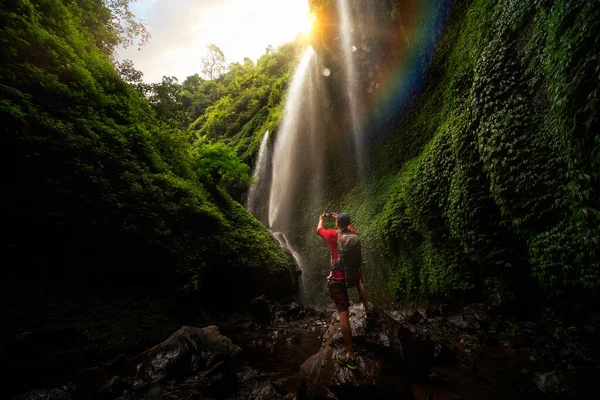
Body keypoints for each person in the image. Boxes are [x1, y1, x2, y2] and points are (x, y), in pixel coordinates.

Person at [317, 212, 372, 370]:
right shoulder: (353, 233)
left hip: (338, 278)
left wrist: (322, 219)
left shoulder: (332, 235)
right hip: (353, 273)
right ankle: (368, 311)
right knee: (358, 283)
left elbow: (318, 230)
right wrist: (339, 218)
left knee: (343, 312)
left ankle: (350, 356)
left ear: (337, 223)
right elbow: (346, 227)